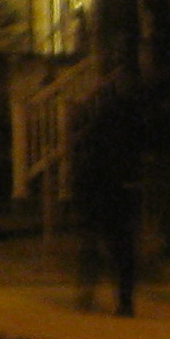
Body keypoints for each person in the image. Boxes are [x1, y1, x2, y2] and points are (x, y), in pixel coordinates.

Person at [68, 84, 145, 318]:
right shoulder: (129, 134)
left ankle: (89, 293)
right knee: (121, 248)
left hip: (100, 193)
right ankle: (124, 300)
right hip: (119, 192)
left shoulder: (95, 134)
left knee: (93, 244)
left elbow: (84, 167)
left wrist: (80, 195)